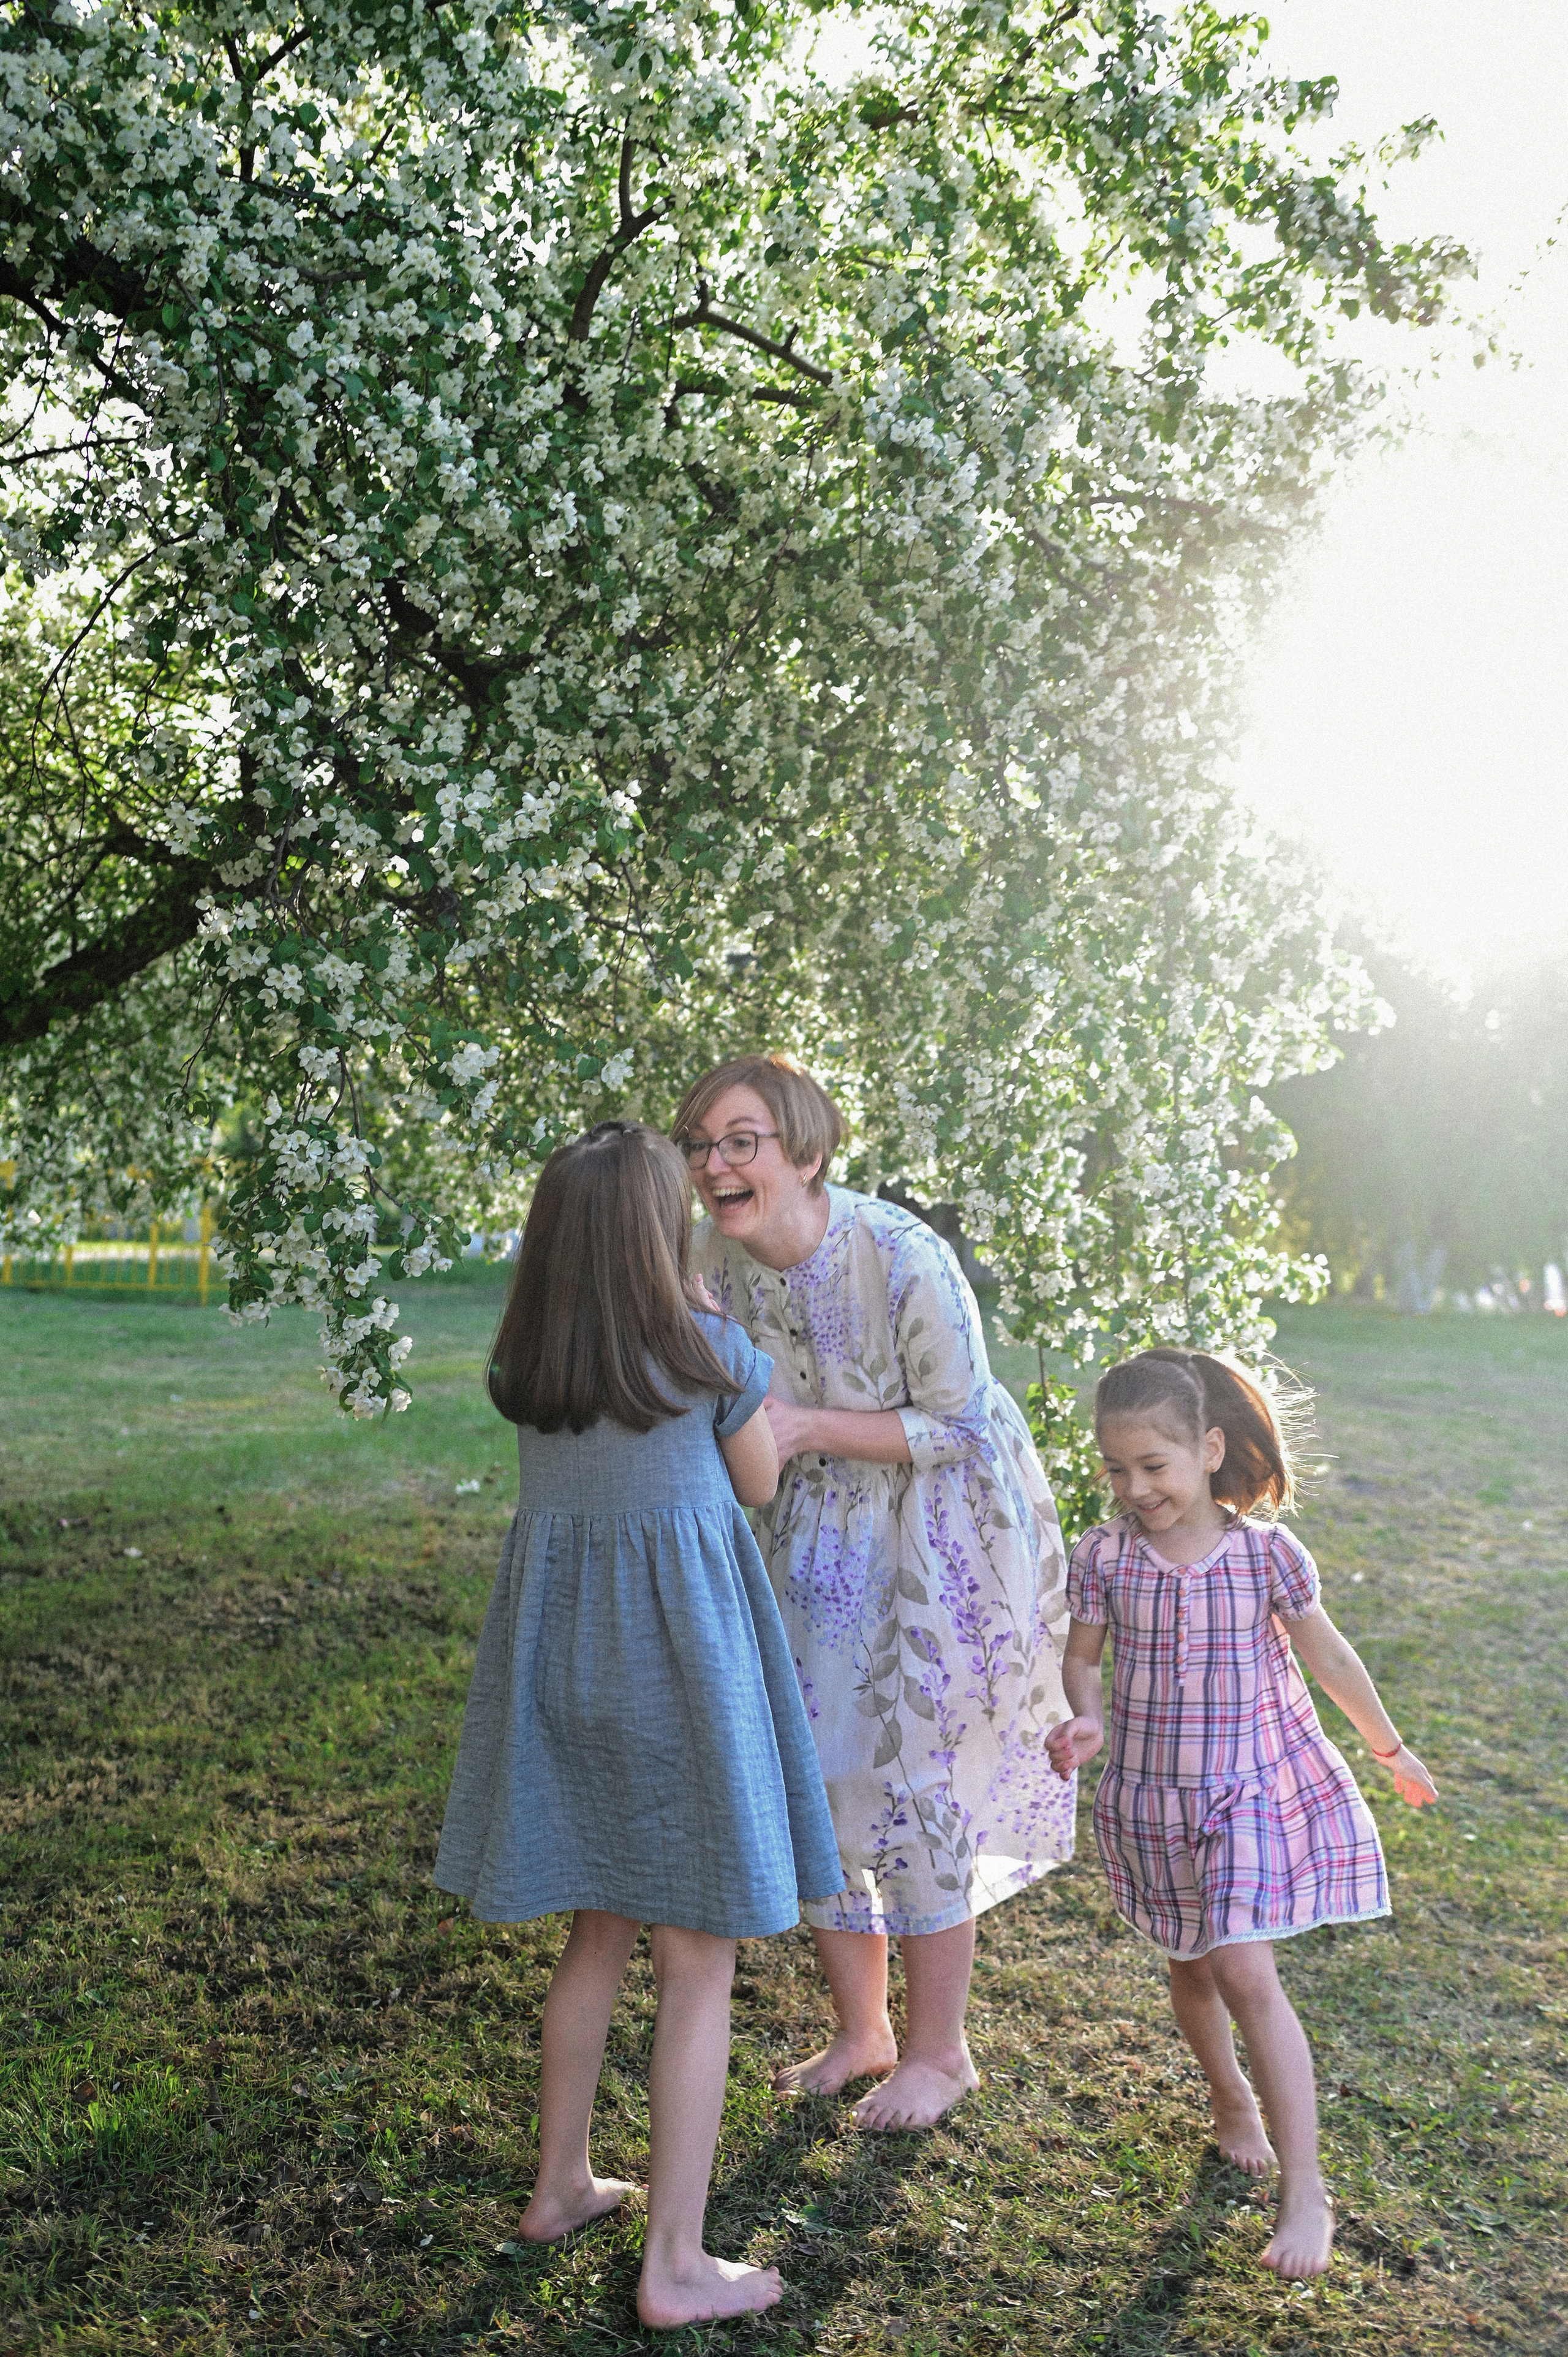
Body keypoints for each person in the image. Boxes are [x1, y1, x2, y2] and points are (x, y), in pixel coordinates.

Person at [431, 1121, 842, 2329]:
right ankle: (672, 2260)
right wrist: (705, 1323)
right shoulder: (711, 1351)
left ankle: (560, 2183)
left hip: (564, 1668)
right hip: (680, 1676)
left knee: (597, 1932)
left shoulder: (535, 1367)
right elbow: (757, 1481)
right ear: (663, 1236)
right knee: (697, 1957)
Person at [676, 1053, 1076, 2132]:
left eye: (740, 1140)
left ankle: (943, 2053)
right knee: (816, 1767)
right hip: (808, 1529)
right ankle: (864, 2030)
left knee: (915, 1777)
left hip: (935, 1531)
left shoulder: (902, 1254)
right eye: (702, 1144)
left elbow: (958, 1422)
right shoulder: (722, 1261)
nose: (715, 1163)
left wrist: (802, 1428)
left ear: (805, 1153)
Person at [1044, 1347, 1439, 2280]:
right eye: (1116, 1469)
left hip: (1247, 1791)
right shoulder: (1104, 1556)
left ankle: (1306, 2193)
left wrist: (1390, 1747)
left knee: (1244, 1970)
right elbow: (1082, 1658)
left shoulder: (1266, 1554)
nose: (1136, 1489)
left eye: (1155, 1467)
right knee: (1190, 1962)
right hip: (1149, 1797)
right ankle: (1231, 2099)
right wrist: (1087, 1721)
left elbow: (1331, 1660)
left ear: (1210, 1449)